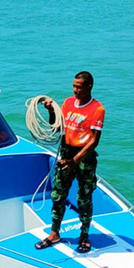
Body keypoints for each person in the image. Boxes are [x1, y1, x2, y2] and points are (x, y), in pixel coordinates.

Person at [35, 71, 105, 253]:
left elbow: (94, 141)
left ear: (89, 86)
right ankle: (54, 233)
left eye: (79, 87)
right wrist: (51, 110)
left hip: (83, 156)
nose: (75, 90)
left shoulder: (97, 109)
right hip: (66, 151)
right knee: (58, 194)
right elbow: (56, 126)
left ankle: (84, 236)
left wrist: (75, 160)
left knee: (84, 198)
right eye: (74, 86)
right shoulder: (67, 103)